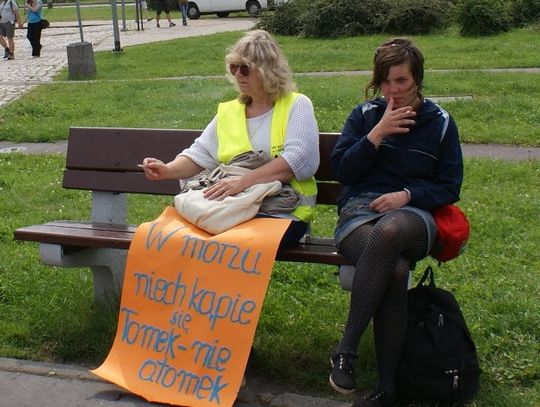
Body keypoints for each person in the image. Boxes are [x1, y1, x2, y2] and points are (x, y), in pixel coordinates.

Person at [329, 38, 463, 406]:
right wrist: (377, 134)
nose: (393, 90)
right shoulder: (364, 116)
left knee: (389, 232)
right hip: (360, 213)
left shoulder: (439, 123)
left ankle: (346, 349)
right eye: (386, 81)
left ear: (417, 78)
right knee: (395, 271)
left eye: (401, 80)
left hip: (413, 216)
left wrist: (407, 195)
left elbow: (449, 186)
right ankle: (388, 389)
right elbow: (344, 172)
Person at [141, 29, 319, 247]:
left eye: (245, 68)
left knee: (221, 242)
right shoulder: (229, 112)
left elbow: (299, 161)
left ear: (268, 70)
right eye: (234, 68)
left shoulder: (297, 105)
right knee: (176, 238)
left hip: (284, 211)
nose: (238, 75)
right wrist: (167, 169)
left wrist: (242, 182)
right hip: (232, 209)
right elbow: (199, 154)